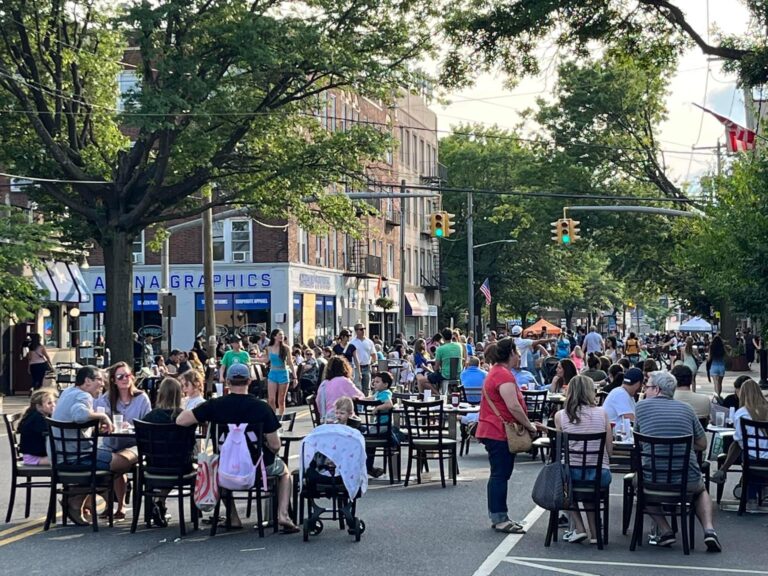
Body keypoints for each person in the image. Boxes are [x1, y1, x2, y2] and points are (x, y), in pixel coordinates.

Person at [176, 363, 299, 532]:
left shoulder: (214, 405)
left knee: (220, 464)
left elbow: (181, 420)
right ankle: (283, 514)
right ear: (249, 381)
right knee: (284, 472)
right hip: (257, 467)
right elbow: (275, 445)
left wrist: (197, 412)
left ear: (227, 382)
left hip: (224, 467)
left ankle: (233, 516)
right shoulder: (262, 407)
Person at [635, 371, 722, 552]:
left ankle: (666, 529)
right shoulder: (687, 409)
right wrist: (682, 446)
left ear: (657, 389)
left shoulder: (641, 407)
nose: (645, 389)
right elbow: (702, 443)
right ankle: (709, 529)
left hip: (652, 478)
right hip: (686, 478)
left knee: (638, 484)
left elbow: (640, 439)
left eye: (648, 387)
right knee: (701, 490)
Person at [476, 338, 545, 534]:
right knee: (500, 474)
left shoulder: (496, 372)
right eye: (517, 352)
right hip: (499, 431)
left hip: (493, 428)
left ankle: (497, 516)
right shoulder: (503, 375)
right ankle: (500, 518)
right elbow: (513, 406)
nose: (519, 355)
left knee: (498, 474)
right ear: (511, 353)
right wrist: (529, 425)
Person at [52, 366, 125, 525]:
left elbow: (73, 420)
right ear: (87, 381)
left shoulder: (67, 392)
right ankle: (76, 498)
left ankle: (77, 499)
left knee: (116, 464)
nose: (103, 383)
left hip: (62, 455)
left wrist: (94, 425)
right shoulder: (83, 395)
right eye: (99, 379)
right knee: (125, 461)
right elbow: (79, 415)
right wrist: (103, 416)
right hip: (78, 457)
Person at [554, 375, 612, 544]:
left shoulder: (561, 416)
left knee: (564, 483)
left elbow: (560, 451)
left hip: (572, 475)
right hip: (599, 474)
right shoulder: (602, 413)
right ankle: (595, 533)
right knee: (589, 488)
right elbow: (610, 449)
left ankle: (579, 527)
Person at [94, 362, 152, 519]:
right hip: (111, 443)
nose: (125, 379)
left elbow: (148, 423)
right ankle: (109, 502)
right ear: (113, 380)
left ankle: (120, 506)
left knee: (120, 460)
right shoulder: (105, 399)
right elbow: (97, 421)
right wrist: (104, 425)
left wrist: (132, 426)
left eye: (128, 375)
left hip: (134, 444)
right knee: (105, 460)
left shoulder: (141, 398)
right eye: (120, 376)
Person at [141, 377, 194, 528]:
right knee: (187, 464)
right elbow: (191, 443)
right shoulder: (184, 416)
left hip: (154, 465)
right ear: (179, 395)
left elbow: (142, 442)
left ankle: (159, 501)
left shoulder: (150, 417)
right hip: (179, 465)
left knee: (166, 466)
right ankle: (161, 502)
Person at [710, 379, 768, 498]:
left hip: (752, 458)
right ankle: (761, 489)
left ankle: (723, 471)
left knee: (737, 444)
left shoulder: (741, 413)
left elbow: (740, 440)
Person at [255, 329, 294, 416]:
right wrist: (252, 359)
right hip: (273, 373)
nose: (282, 336)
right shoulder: (269, 348)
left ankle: (281, 418)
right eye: (280, 334)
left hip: (283, 373)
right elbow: (266, 360)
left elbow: (290, 362)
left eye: (282, 335)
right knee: (271, 399)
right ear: (274, 336)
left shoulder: (286, 348)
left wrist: (295, 377)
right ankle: (272, 418)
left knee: (281, 400)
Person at [315, 355, 364, 423]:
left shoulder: (324, 384)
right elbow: (360, 396)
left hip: (327, 417)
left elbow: (318, 402)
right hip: (344, 418)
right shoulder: (345, 381)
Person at [417, 327, 463, 394]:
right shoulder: (459, 346)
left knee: (421, 380)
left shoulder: (440, 349)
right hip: (457, 374)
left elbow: (436, 368)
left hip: (445, 375)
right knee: (434, 377)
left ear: (443, 337)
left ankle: (437, 394)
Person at [19, 389, 57, 466]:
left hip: (35, 455)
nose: (53, 405)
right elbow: (52, 431)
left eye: (54, 402)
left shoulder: (40, 416)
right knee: (66, 460)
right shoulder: (37, 419)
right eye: (49, 403)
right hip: (33, 458)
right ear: (39, 406)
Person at [350, 323, 377, 395]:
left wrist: (373, 363)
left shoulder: (369, 342)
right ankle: (359, 405)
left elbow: (373, 354)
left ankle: (365, 405)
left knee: (366, 388)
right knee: (358, 387)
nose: (363, 331)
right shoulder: (352, 343)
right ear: (356, 331)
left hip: (367, 367)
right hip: (356, 368)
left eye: (364, 329)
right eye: (361, 329)